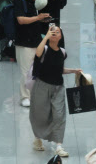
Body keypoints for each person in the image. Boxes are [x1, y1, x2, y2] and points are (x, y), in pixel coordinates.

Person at [28, 26, 81, 158]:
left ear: (60, 36)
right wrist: (45, 37)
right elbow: (37, 54)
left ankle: (59, 146)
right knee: (40, 114)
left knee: (59, 115)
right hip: (42, 86)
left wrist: (73, 71)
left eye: (57, 32)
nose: (54, 33)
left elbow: (59, 69)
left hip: (58, 87)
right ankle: (37, 138)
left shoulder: (62, 52)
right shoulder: (44, 49)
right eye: (52, 31)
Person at [15, 0, 49, 106]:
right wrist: (38, 18)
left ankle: (34, 95)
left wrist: (41, 20)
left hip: (35, 41)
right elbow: (21, 20)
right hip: (24, 43)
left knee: (36, 70)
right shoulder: (20, 1)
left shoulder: (31, 2)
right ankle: (25, 97)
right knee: (26, 71)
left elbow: (32, 20)